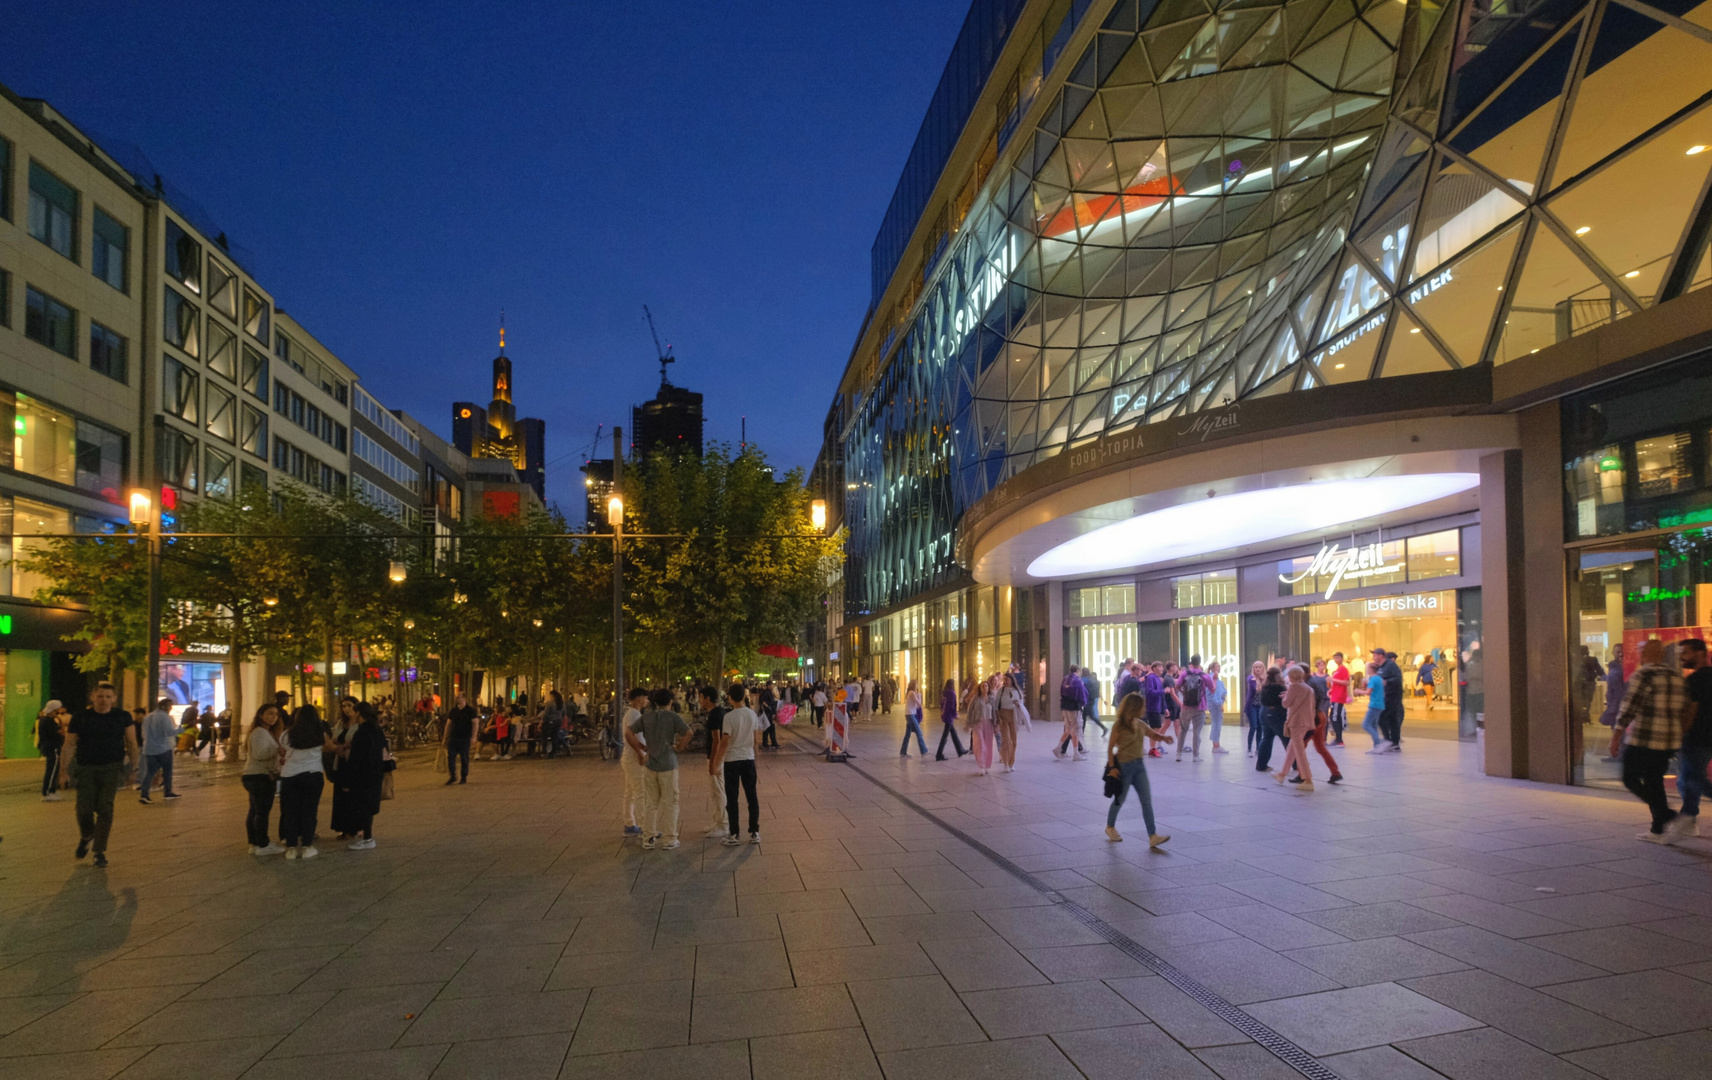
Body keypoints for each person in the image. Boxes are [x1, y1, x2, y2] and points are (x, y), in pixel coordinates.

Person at [1614, 639, 1689, 843]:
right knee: (1655, 782)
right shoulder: (1675, 676)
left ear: (1644, 654)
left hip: (1644, 738)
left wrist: (1616, 735)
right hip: (1667, 741)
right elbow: (1683, 708)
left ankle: (1669, 816)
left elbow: (1630, 706)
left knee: (1630, 778)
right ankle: (1658, 830)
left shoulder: (1643, 674)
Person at [61, 683, 138, 868]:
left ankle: (99, 851)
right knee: (83, 809)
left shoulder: (123, 717)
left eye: (108, 697)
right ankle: (87, 834)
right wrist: (63, 772)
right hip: (86, 767)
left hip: (112, 767)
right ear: (93, 697)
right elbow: (69, 745)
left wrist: (134, 770)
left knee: (105, 808)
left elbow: (132, 743)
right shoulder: (80, 717)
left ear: (114, 698)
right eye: (100, 696)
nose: (104, 700)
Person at [625, 688, 691, 850]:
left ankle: (648, 838)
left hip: (650, 765)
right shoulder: (673, 717)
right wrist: (680, 747)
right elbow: (688, 732)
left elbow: (628, 732)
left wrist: (642, 748)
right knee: (670, 802)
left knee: (651, 803)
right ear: (670, 702)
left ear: (654, 702)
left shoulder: (646, 717)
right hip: (668, 764)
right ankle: (670, 839)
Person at [1104, 692, 1172, 847]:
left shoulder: (1140, 724)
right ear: (1133, 707)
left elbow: (1152, 734)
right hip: (1124, 767)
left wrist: (1164, 738)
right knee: (1120, 799)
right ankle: (1110, 826)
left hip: (1139, 766)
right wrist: (1112, 768)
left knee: (1146, 801)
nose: (1144, 709)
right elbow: (1110, 748)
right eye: (1141, 706)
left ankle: (1152, 835)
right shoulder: (1119, 726)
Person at [279, 705, 335, 859]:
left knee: (291, 811)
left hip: (289, 776)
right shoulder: (320, 734)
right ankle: (307, 845)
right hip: (312, 774)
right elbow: (329, 748)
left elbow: (282, 752)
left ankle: (291, 847)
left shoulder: (286, 735)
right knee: (309, 810)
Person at [715, 683, 763, 845]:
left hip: (732, 761)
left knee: (732, 798)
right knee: (752, 797)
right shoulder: (752, 715)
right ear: (744, 696)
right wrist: (756, 760)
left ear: (729, 697)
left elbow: (725, 741)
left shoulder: (728, 717)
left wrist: (716, 762)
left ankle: (734, 834)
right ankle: (754, 831)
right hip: (748, 759)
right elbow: (756, 740)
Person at [339, 701, 387, 850]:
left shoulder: (362, 731)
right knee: (367, 807)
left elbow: (356, 757)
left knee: (363, 806)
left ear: (359, 713)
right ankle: (366, 836)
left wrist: (348, 778)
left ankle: (367, 838)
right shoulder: (375, 729)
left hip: (362, 774)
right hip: (375, 772)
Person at [1676, 638, 1709, 839]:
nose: (1681, 657)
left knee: (1693, 779)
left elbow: (1691, 712)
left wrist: (1680, 734)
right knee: (1686, 779)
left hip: (1697, 737)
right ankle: (1690, 819)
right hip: (1706, 737)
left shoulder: (1695, 680)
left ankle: (1688, 817)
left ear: (1699, 653)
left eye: (1685, 652)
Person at [243, 704, 286, 855]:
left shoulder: (264, 732)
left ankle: (255, 842)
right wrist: (278, 750)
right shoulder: (260, 732)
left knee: (255, 810)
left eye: (276, 714)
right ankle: (262, 843)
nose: (273, 717)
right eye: (270, 713)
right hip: (260, 776)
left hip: (256, 775)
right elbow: (260, 754)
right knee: (261, 811)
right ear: (261, 715)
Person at [1274, 666, 1317, 791]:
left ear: (1292, 676)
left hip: (1296, 721)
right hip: (1306, 721)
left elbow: (1286, 704)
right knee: (1292, 748)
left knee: (1298, 751)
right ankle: (1282, 774)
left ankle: (1308, 780)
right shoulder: (1308, 688)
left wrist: (1285, 697)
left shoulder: (1293, 687)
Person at [329, 698, 364, 839]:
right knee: (340, 797)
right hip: (340, 762)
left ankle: (355, 828)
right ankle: (343, 828)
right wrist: (337, 745)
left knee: (352, 796)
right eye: (344, 706)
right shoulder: (341, 723)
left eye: (349, 705)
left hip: (353, 764)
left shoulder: (360, 724)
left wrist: (347, 747)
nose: (346, 709)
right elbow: (334, 738)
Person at [699, 685, 730, 839]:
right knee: (715, 791)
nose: (699, 700)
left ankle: (724, 825)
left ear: (707, 698)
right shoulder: (719, 712)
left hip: (716, 757)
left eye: (701, 697)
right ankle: (717, 820)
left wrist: (713, 762)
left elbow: (717, 740)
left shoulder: (714, 715)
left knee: (718, 791)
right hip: (717, 757)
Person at [138, 698, 179, 804]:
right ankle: (167, 793)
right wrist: (182, 730)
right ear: (164, 706)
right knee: (167, 771)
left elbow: (144, 733)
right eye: (170, 706)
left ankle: (144, 794)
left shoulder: (148, 717)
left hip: (149, 748)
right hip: (164, 748)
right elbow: (169, 732)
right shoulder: (165, 717)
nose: (171, 708)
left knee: (150, 772)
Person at [620, 688, 649, 836]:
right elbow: (630, 735)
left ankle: (629, 823)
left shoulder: (632, 714)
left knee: (630, 791)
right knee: (640, 791)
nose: (647, 701)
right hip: (633, 757)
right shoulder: (634, 715)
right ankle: (645, 826)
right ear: (639, 699)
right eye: (645, 698)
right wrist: (639, 752)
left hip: (629, 756)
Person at [1176, 655, 1211, 762]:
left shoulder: (1184, 673)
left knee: (1183, 730)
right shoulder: (1204, 675)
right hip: (1199, 707)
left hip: (1186, 706)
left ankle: (1179, 754)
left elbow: (1177, 686)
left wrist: (1183, 693)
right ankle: (1196, 756)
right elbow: (1212, 689)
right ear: (1200, 662)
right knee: (1197, 732)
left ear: (1191, 662)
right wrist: (1214, 680)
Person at [1255, 666, 1287, 771]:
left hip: (1264, 713)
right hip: (1276, 714)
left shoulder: (1265, 686)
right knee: (1287, 739)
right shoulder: (1279, 687)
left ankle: (1261, 765)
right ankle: (1297, 763)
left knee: (1266, 739)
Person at [1055, 665, 1088, 761]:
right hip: (1074, 708)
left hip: (1065, 707)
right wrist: (1083, 703)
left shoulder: (1065, 679)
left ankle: (1059, 748)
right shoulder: (1077, 681)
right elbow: (1082, 695)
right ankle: (1076, 753)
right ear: (1077, 670)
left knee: (1068, 729)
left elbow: (1061, 692)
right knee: (1075, 730)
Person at [996, 672, 1027, 772]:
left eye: (1007, 679)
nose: (1005, 681)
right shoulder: (1001, 691)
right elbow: (996, 705)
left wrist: (1017, 704)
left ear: (1011, 680)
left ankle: (1011, 762)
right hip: (1003, 716)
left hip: (1014, 717)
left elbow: (1021, 704)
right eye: (1004, 680)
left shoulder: (1017, 691)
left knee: (1014, 741)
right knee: (1006, 740)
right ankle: (1005, 763)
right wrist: (997, 717)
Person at [444, 693, 476, 785]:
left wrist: (473, 736)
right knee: (450, 757)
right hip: (453, 737)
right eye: (456, 697)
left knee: (464, 758)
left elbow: (475, 724)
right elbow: (448, 724)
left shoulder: (470, 711)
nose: (456, 699)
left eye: (458, 697)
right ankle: (453, 776)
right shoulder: (453, 711)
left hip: (465, 737)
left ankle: (463, 776)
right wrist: (445, 737)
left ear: (464, 698)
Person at [1600, 644, 1626, 760]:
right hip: (1615, 700)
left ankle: (1620, 753)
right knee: (1615, 726)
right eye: (1617, 652)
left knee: (1620, 727)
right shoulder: (1613, 665)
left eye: (1621, 651)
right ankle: (1617, 753)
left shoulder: (1625, 666)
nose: (1620, 654)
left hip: (1621, 699)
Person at [37, 699, 66, 802]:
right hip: (52, 748)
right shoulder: (48, 721)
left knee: (53, 770)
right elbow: (59, 732)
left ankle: (51, 791)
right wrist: (61, 725)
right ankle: (47, 792)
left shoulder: (44, 720)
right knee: (52, 770)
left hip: (50, 747)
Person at [967, 679, 996, 776]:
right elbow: (970, 711)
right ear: (980, 688)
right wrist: (968, 723)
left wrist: (996, 725)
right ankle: (981, 765)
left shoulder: (992, 698)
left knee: (988, 745)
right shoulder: (976, 699)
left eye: (986, 686)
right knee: (980, 744)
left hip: (989, 724)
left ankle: (987, 765)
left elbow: (995, 712)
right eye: (983, 686)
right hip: (978, 723)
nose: (985, 688)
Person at [1377, 648, 1404, 750]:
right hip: (1385, 696)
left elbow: (1398, 678)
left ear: (1380, 656)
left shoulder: (1391, 665)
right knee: (1389, 719)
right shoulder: (1380, 667)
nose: (1374, 657)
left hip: (1393, 696)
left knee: (1387, 717)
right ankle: (1392, 741)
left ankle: (1391, 741)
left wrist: (1387, 682)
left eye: (1375, 655)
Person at [935, 678, 966, 760]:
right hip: (949, 716)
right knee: (945, 736)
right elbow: (953, 705)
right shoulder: (952, 693)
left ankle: (960, 750)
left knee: (953, 733)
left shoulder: (944, 693)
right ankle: (939, 754)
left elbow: (941, 704)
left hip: (945, 714)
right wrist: (955, 715)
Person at [1143, 662, 1169, 758]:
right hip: (1152, 707)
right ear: (1153, 668)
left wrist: (1165, 707)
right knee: (1155, 728)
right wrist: (1163, 691)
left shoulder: (1157, 679)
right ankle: (1152, 749)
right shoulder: (1151, 678)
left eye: (1162, 666)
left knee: (1157, 728)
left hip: (1158, 707)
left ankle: (1153, 748)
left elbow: (1161, 696)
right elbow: (1149, 692)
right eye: (1159, 666)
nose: (1161, 668)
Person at [1360, 662, 1388, 751]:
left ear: (1370, 669)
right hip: (1380, 704)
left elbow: (1368, 692)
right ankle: (1377, 745)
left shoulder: (1373, 679)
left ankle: (1378, 742)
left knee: (1366, 724)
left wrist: (1358, 691)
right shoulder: (1379, 679)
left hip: (1374, 704)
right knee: (1374, 725)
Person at [1327, 652, 1351, 745]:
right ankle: (1338, 738)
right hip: (1335, 696)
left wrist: (1333, 680)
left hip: (1339, 696)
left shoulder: (1343, 669)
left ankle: (1339, 739)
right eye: (1334, 658)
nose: (1336, 660)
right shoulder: (1337, 670)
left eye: (1337, 658)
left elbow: (1346, 682)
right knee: (1334, 716)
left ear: (1341, 658)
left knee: (1335, 717)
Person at [900, 678, 928, 756]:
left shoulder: (910, 692)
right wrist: (919, 696)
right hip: (911, 715)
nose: (917, 685)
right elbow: (919, 704)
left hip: (908, 714)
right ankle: (923, 750)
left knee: (908, 734)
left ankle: (903, 751)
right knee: (919, 732)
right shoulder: (912, 693)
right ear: (914, 685)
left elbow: (915, 705)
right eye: (916, 684)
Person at [1208, 661, 1229, 754]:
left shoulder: (1217, 680)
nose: (1219, 668)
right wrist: (1220, 704)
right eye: (1217, 666)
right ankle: (1216, 745)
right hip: (1215, 704)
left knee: (1216, 723)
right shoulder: (1213, 679)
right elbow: (1215, 693)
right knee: (1217, 723)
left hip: (1214, 703)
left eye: (1219, 666)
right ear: (1212, 668)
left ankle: (1216, 744)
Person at [1244, 661, 1264, 756]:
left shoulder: (1265, 679)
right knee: (1254, 727)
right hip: (1252, 706)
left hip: (1261, 706)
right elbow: (1252, 687)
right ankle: (1249, 749)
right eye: (1256, 667)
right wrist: (1256, 682)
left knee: (1260, 728)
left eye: (1260, 667)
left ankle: (1258, 749)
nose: (1258, 669)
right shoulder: (1251, 678)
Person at [1080, 666, 1107, 737]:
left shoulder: (1084, 679)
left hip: (1087, 699)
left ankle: (1104, 727)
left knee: (1089, 716)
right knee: (1085, 715)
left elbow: (1082, 688)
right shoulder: (1094, 679)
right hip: (1093, 698)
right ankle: (1082, 730)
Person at [541, 691, 566, 757]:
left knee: (544, 736)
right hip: (558, 721)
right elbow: (563, 713)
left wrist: (542, 722)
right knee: (554, 736)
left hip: (550, 721)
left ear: (552, 696)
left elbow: (546, 714)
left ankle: (544, 751)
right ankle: (554, 751)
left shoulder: (550, 703)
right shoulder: (561, 704)